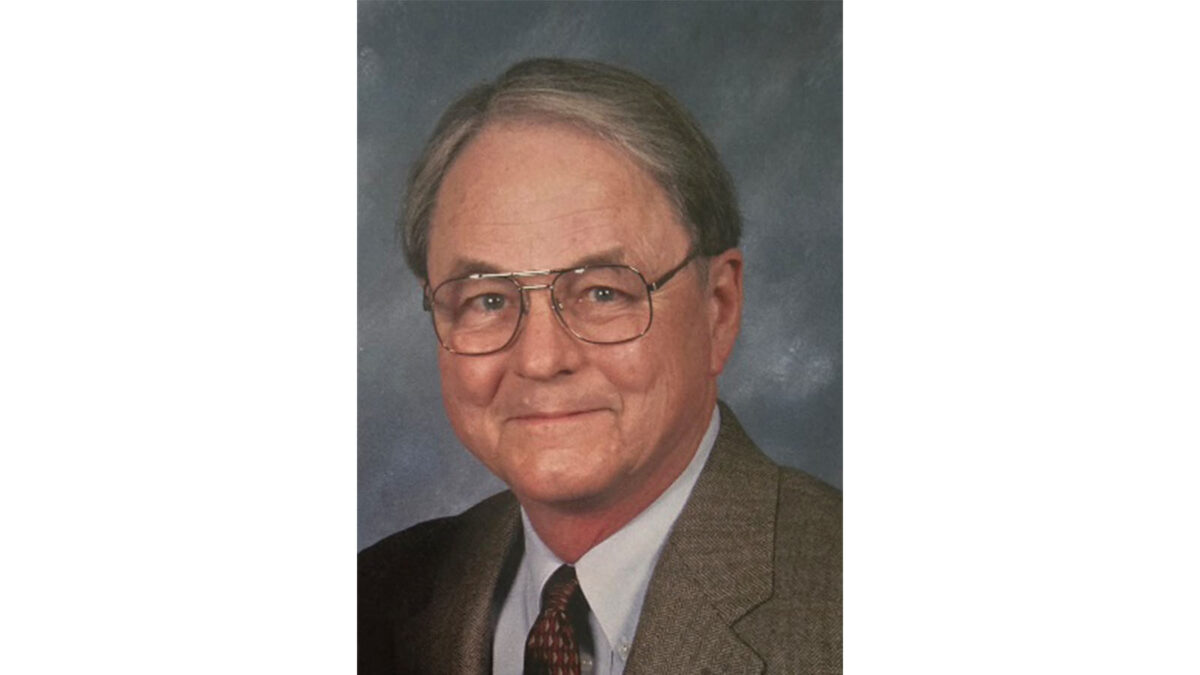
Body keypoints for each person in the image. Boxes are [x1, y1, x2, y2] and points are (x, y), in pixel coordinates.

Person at [359, 58, 841, 674]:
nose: (540, 359)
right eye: (486, 299)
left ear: (718, 309)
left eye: (603, 293)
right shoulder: (372, 600)